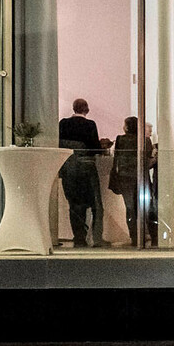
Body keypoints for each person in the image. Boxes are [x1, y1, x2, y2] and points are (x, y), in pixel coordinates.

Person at [57, 99, 104, 248]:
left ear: (73, 108)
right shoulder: (90, 125)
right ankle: (95, 238)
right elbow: (94, 147)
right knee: (94, 203)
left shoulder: (63, 123)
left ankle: (78, 236)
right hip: (86, 167)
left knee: (74, 203)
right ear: (87, 110)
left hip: (68, 167)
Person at [110, 116, 151, 246]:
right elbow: (148, 159)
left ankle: (134, 236)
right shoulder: (145, 140)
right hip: (140, 177)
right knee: (142, 207)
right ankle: (143, 235)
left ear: (127, 127)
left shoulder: (120, 139)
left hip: (125, 176)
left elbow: (116, 158)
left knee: (130, 207)